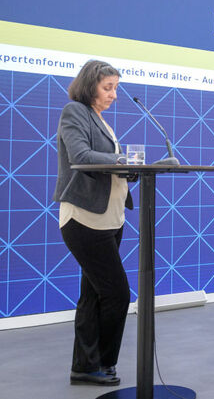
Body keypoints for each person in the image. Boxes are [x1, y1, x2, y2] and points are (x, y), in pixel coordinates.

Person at [53, 60, 133, 386]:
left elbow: (107, 166)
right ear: (90, 86)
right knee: (118, 294)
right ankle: (104, 362)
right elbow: (80, 157)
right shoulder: (75, 111)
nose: (114, 94)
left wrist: (130, 170)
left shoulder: (99, 118)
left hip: (111, 219)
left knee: (93, 295)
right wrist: (121, 159)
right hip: (85, 219)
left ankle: (85, 366)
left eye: (116, 87)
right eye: (107, 87)